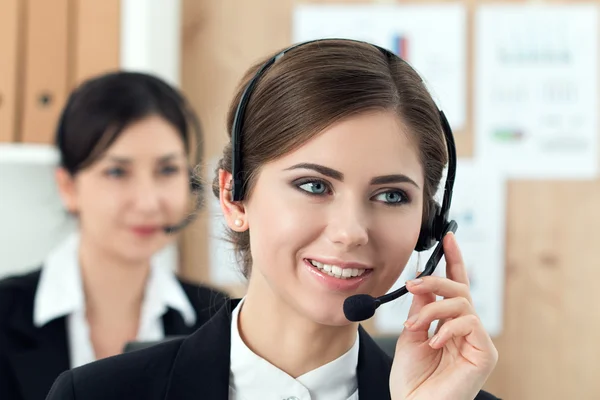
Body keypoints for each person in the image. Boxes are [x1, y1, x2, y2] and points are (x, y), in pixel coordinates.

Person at [45, 40, 499, 399]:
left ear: (428, 226)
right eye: (314, 186)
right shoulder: (92, 393)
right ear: (233, 198)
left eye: (391, 195)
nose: (350, 232)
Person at [0, 71, 228, 400]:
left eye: (167, 170)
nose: (148, 202)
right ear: (68, 187)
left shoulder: (216, 319)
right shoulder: (5, 313)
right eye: (117, 172)